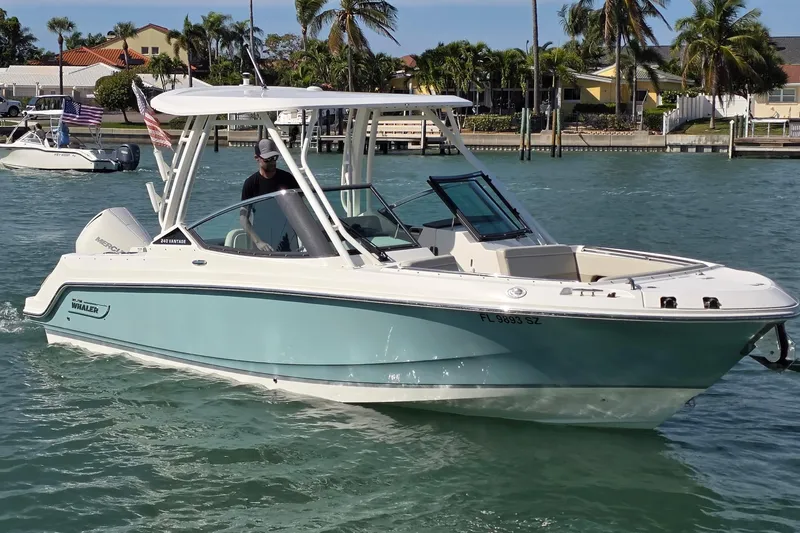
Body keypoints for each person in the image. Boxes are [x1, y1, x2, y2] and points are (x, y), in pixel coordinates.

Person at [240, 138, 300, 251]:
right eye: (268, 159)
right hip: (262, 239)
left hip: (286, 237)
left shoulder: (289, 179)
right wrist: (258, 242)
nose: (272, 162)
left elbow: (301, 209)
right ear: (257, 158)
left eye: (275, 158)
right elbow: (243, 218)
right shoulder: (250, 183)